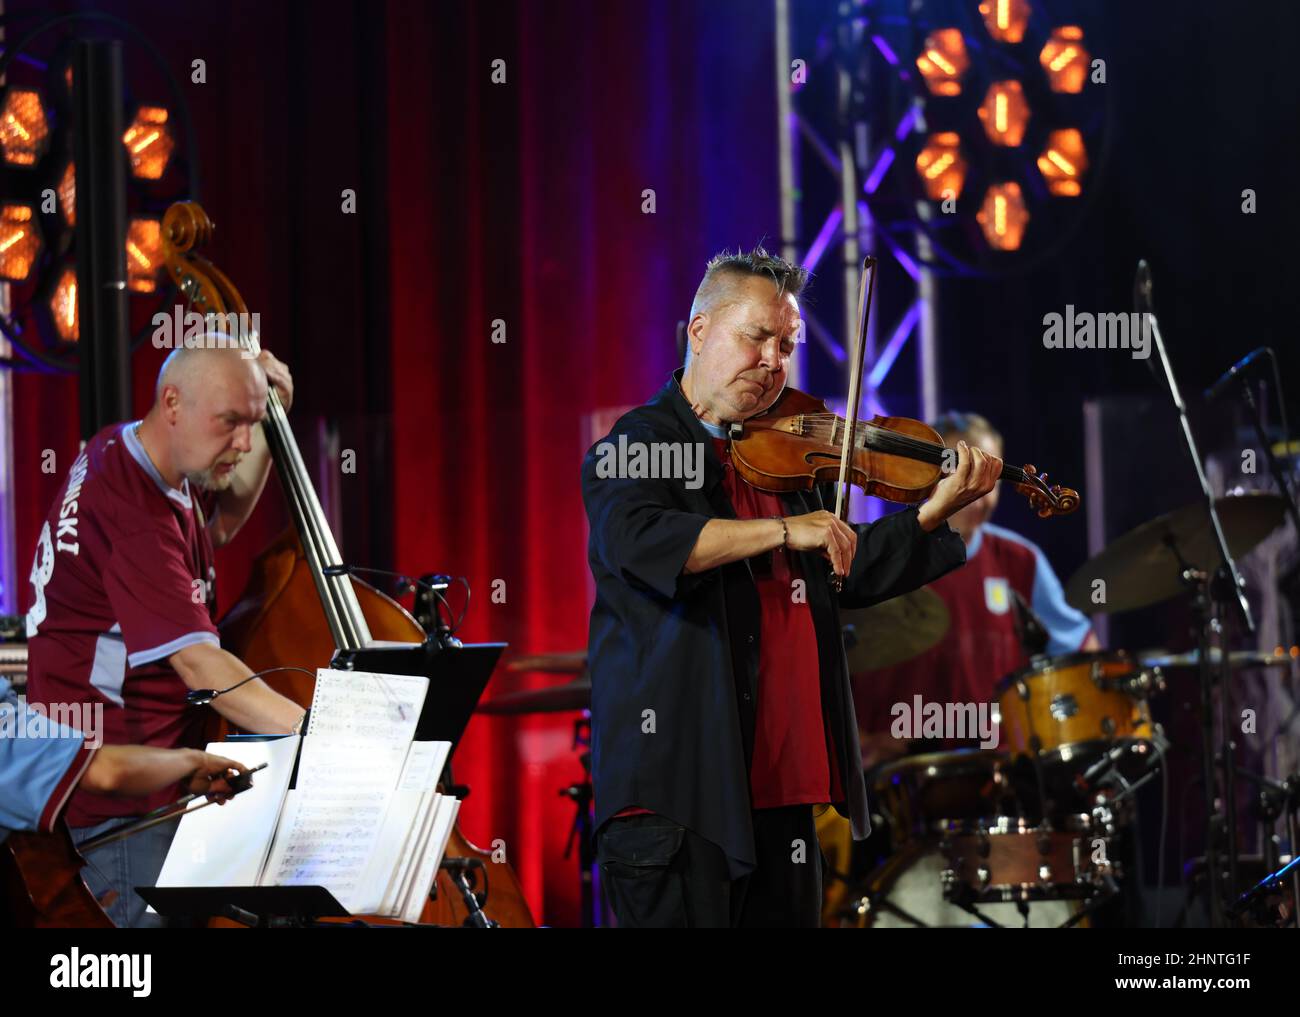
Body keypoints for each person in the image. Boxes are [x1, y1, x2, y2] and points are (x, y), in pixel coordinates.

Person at [581, 246, 1000, 927]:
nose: (774, 361)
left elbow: (846, 566)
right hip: (681, 802)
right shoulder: (638, 443)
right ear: (699, 331)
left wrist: (933, 510)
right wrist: (786, 531)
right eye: (756, 337)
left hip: (783, 797)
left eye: (787, 344)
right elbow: (648, 542)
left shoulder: (780, 454)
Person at [24, 340, 307, 927]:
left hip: (149, 771)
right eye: (231, 422)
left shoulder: (130, 450)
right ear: (172, 402)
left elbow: (216, 528)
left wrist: (267, 413)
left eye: (253, 424)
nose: (246, 443)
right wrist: (320, 734)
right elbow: (203, 666)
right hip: (123, 807)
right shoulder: (132, 516)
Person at [852, 411, 1097, 768]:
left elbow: (1081, 651)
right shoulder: (883, 554)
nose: (979, 496)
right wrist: (859, 741)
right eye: (964, 474)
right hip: (900, 771)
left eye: (990, 480)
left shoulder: (1021, 560)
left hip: (999, 767)